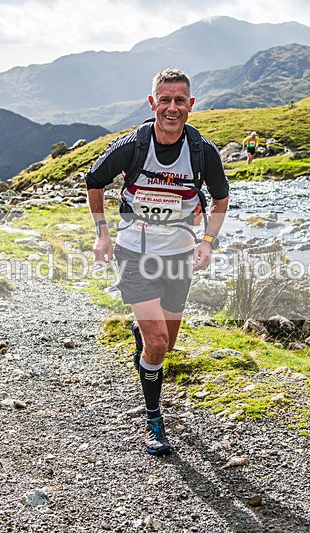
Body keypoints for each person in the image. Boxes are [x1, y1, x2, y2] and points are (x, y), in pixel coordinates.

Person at [86, 68, 229, 456]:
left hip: (180, 256)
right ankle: (153, 419)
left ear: (190, 105)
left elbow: (220, 199)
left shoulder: (203, 151)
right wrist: (103, 233)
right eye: (164, 99)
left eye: (179, 100)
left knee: (166, 346)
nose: (171, 107)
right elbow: (93, 180)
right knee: (159, 341)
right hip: (135, 253)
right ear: (152, 103)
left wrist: (208, 242)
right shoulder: (133, 145)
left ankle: (143, 337)